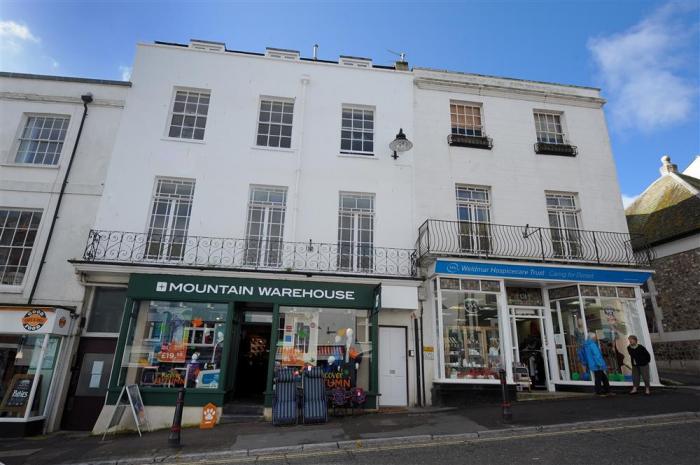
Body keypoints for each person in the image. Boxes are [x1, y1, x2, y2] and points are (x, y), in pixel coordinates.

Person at [579, 332, 613, 396]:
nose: (596, 338)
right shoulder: (592, 344)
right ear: (593, 338)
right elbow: (596, 355)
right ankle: (600, 392)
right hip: (597, 364)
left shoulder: (586, 345)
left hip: (592, 364)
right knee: (600, 378)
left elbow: (585, 355)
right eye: (595, 337)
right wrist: (600, 364)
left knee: (602, 377)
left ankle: (606, 391)